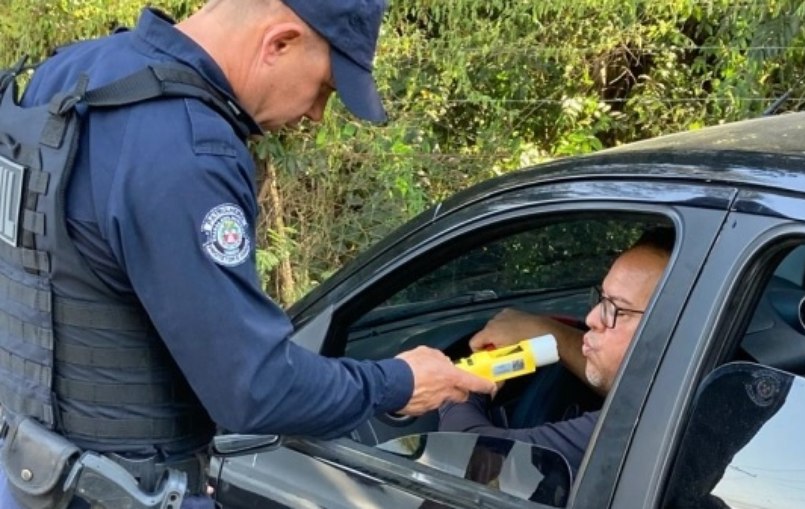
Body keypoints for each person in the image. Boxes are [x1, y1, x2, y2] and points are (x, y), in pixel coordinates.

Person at [0, 1, 493, 507]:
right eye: (325, 87)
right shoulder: (186, 149)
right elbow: (258, 390)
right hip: (114, 491)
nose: (318, 114)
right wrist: (398, 383)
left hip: (28, 469)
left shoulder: (72, 73)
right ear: (280, 42)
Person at [439, 228, 674, 472]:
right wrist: (548, 332)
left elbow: (475, 455)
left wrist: (461, 387)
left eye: (620, 310)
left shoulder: (636, 429)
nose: (592, 318)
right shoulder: (681, 391)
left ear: (675, 329)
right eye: (602, 299)